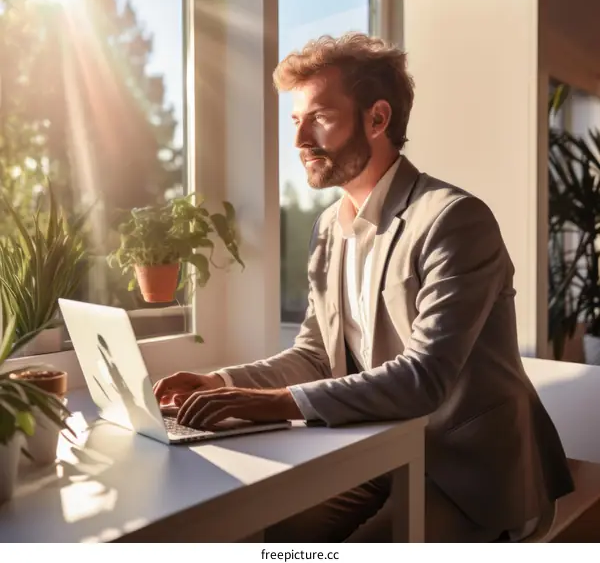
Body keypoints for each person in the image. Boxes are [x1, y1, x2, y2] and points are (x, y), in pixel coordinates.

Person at [153, 32, 574, 542]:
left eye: (320, 118)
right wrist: (219, 385)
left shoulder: (456, 220)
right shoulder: (329, 226)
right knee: (275, 536)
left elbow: (424, 377)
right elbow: (313, 354)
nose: (299, 140)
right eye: (295, 121)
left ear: (378, 119)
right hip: (381, 448)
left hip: (468, 470)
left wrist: (272, 403)